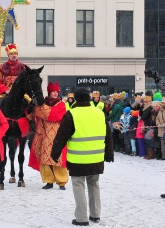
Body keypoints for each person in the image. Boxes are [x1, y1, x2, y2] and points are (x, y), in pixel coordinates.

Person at [50, 88, 114, 226]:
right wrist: (109, 154)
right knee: (94, 184)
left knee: (78, 185)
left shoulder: (72, 114)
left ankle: (82, 218)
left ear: (76, 99)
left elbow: (61, 137)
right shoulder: (99, 113)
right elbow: (108, 135)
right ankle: (95, 214)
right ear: (89, 98)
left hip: (78, 159)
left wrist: (55, 154)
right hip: (96, 158)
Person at [29, 81, 68, 190]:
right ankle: (48, 181)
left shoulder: (61, 104)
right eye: (53, 92)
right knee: (45, 158)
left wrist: (42, 109)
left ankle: (61, 182)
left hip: (57, 135)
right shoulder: (42, 104)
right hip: (44, 135)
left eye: (57, 92)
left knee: (57, 158)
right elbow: (37, 113)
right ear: (49, 93)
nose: (55, 94)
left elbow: (52, 115)